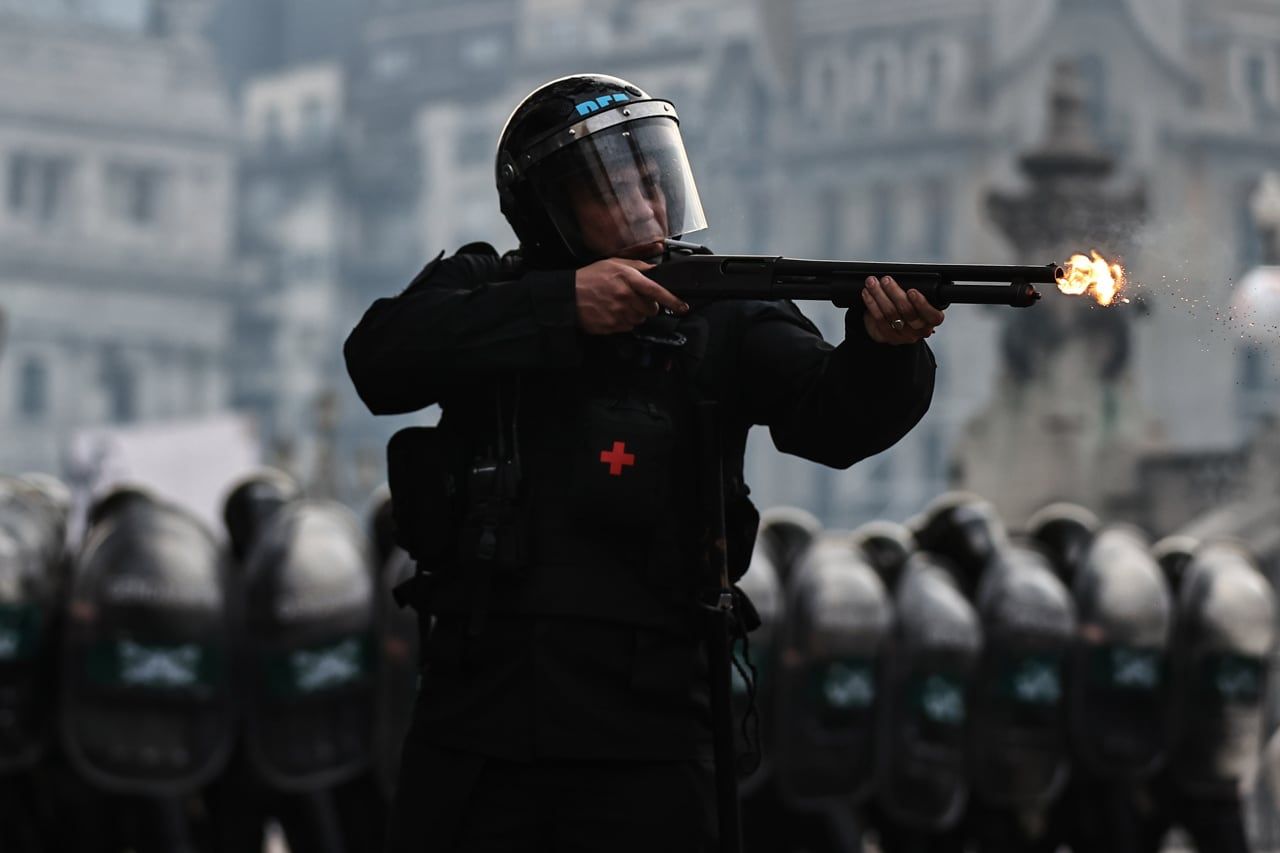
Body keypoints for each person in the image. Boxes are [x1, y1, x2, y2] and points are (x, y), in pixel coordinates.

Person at [344, 73, 944, 853]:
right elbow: (379, 358)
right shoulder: (488, 287)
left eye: (654, 181)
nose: (647, 207)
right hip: (482, 714)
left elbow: (830, 419)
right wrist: (563, 308)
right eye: (613, 188)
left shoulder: (718, 310)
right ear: (549, 208)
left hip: (652, 724)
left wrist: (884, 351)